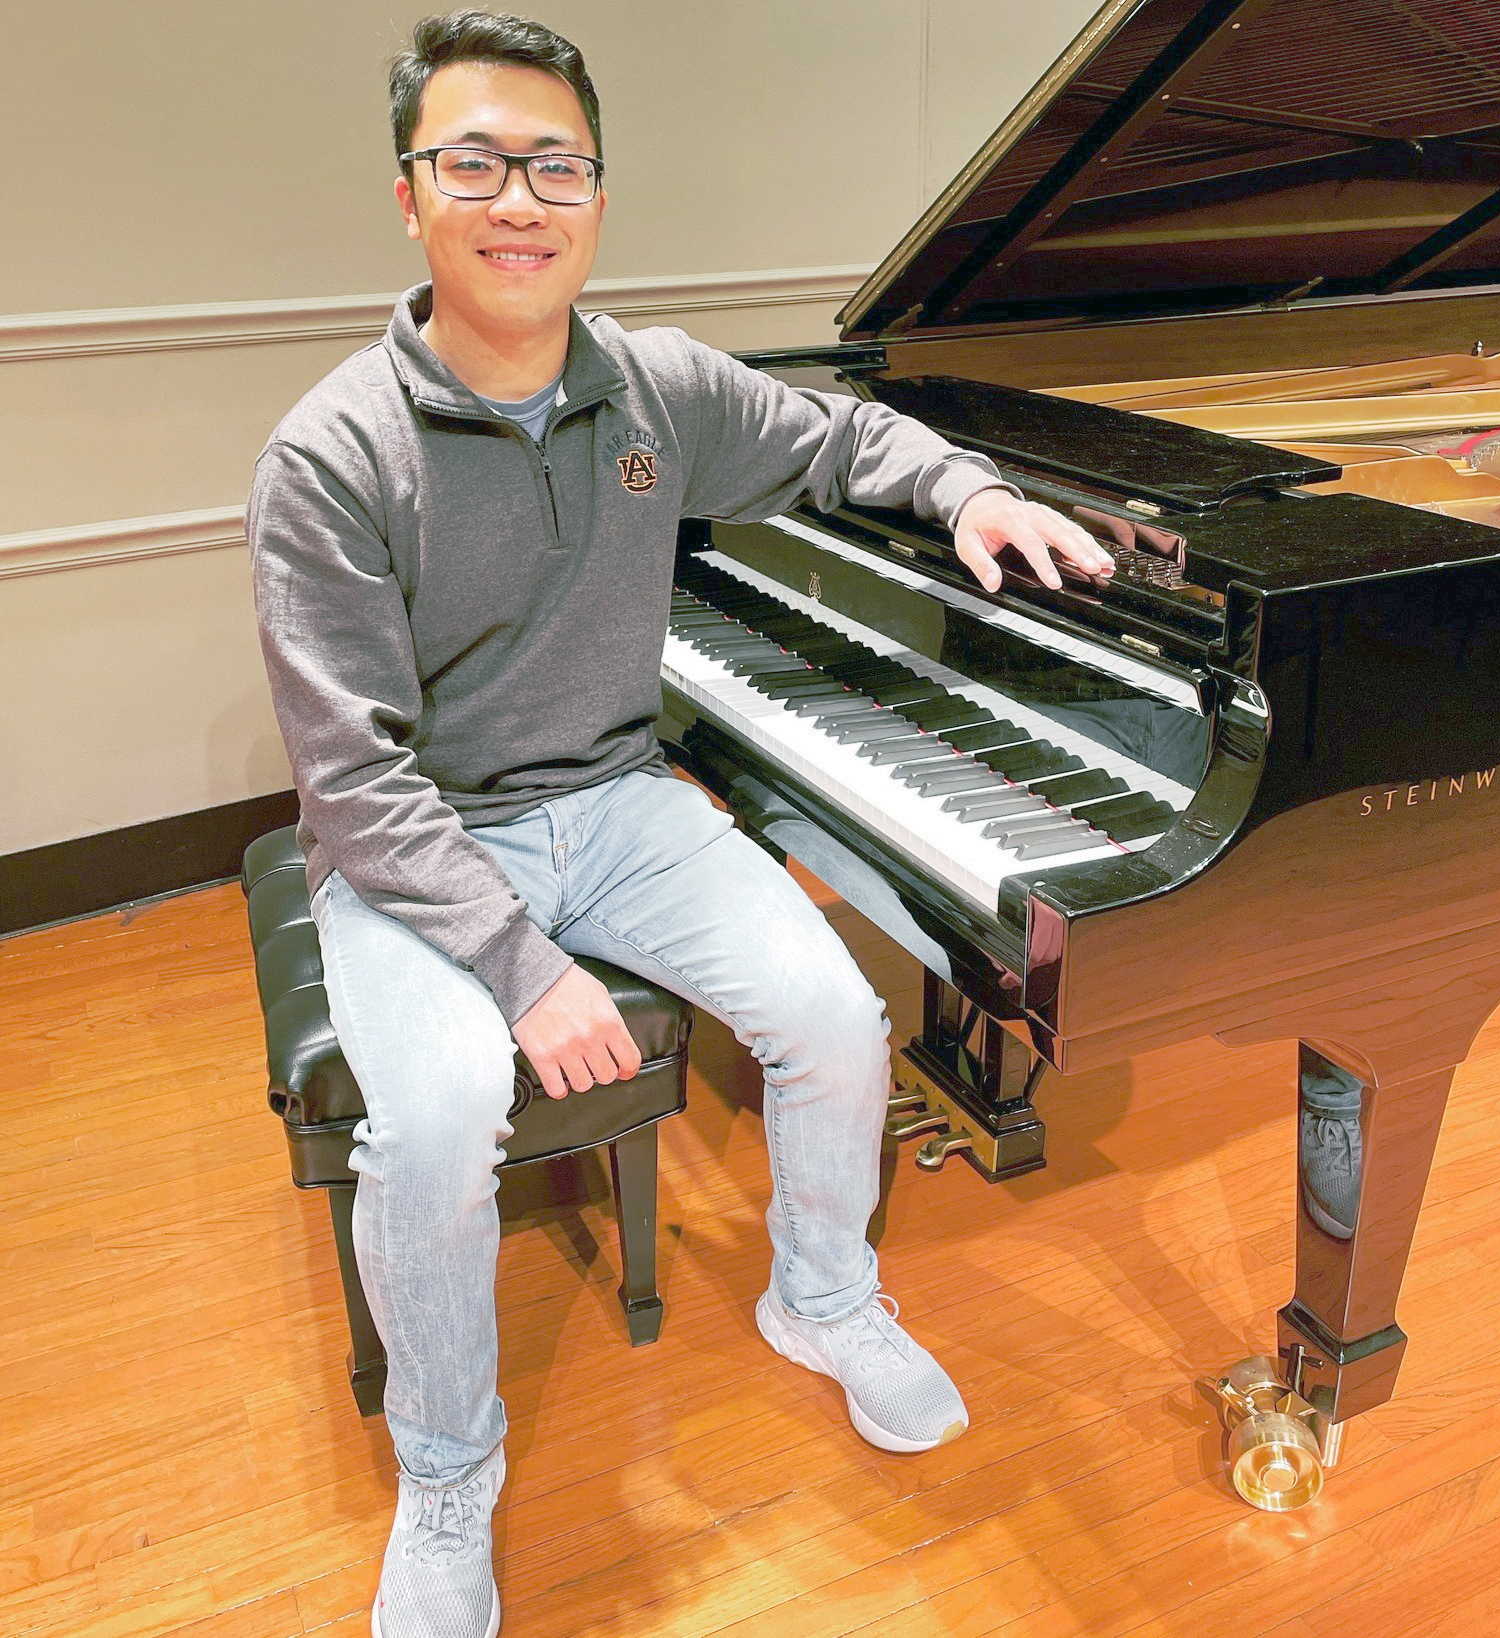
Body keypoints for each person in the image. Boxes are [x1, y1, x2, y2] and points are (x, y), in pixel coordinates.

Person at [249, 13, 1134, 1636]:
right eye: (475, 163)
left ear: (596, 193)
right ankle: (448, 1467)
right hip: (416, 848)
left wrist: (971, 489)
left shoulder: (652, 385)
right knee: (436, 1119)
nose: (519, 200)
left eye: (556, 166)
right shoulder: (330, 453)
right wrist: (521, 969)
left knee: (836, 1018)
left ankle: (823, 1296)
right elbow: (355, 779)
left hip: (611, 802)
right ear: (409, 194)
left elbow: (846, 437)